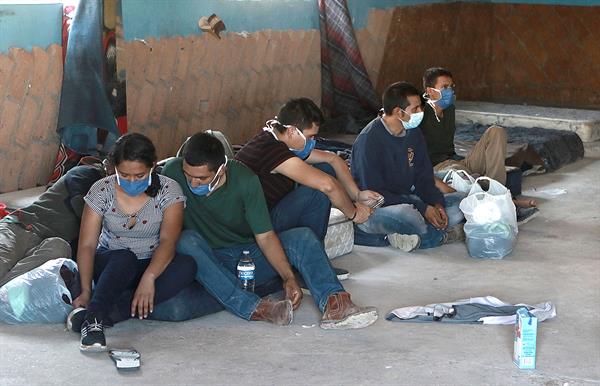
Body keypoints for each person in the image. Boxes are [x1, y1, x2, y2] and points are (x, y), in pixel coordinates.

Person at [162, 132, 378, 329]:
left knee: (302, 237)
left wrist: (288, 277)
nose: (193, 182)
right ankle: (255, 308)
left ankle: (335, 302)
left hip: (247, 258)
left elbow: (265, 237)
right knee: (184, 240)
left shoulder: (245, 181)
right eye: (188, 175)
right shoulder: (172, 172)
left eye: (201, 178)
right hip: (206, 259)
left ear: (221, 169)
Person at [69, 133, 196, 351]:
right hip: (111, 265)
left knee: (187, 266)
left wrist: (149, 277)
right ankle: (95, 320)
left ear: (153, 166)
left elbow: (168, 241)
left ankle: (99, 315)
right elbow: (87, 246)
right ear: (113, 169)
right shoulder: (102, 190)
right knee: (124, 258)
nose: (131, 182)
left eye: (139, 175)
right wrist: (86, 290)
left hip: (149, 263)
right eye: (124, 175)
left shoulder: (168, 190)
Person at [235, 98, 381, 279]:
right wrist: (354, 213)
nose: (312, 142)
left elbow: (333, 159)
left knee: (325, 169)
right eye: (310, 136)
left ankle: (312, 258)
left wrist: (357, 195)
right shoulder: (270, 149)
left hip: (270, 210)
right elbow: (327, 185)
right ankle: (311, 265)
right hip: (257, 227)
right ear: (291, 131)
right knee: (318, 191)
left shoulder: (278, 137)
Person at [350, 81, 465, 250]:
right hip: (379, 209)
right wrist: (421, 207)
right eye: (416, 109)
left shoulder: (413, 133)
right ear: (399, 112)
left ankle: (417, 234)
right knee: (407, 215)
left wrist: (436, 203)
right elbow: (376, 194)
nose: (421, 112)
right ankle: (440, 236)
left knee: (461, 201)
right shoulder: (369, 140)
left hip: (410, 199)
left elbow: (423, 177)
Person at [420, 67, 539, 222]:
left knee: (496, 131)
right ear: (430, 92)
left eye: (451, 87)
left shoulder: (449, 109)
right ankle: (507, 205)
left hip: (455, 160)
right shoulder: (421, 113)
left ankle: (499, 194)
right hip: (438, 168)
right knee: (459, 172)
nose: (450, 91)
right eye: (444, 87)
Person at [0, 162, 105, 288]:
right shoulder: (85, 174)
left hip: (50, 243)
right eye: (123, 174)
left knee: (60, 248)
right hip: (22, 228)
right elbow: (85, 210)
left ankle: (4, 295)